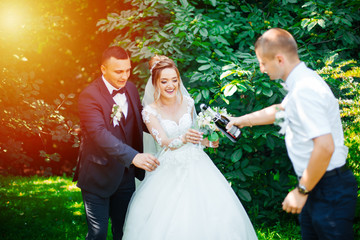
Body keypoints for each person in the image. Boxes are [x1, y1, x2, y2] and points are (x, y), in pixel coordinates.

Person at [227, 28, 358, 239]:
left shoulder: (305, 90)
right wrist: (240, 121)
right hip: (317, 185)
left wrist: (301, 191)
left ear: (279, 59)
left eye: (262, 63)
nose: (261, 69)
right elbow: (280, 111)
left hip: (327, 189)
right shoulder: (301, 83)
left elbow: (325, 146)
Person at [122, 55, 258, 240]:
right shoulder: (149, 111)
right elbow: (163, 142)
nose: (170, 85)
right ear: (155, 83)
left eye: (174, 80)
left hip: (197, 163)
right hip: (169, 167)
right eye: (164, 81)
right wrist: (183, 138)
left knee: (212, 212)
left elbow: (195, 133)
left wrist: (207, 141)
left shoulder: (188, 102)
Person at [73, 46, 160, 240]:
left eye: (128, 70)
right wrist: (134, 156)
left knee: (125, 231)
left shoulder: (130, 88)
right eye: (118, 71)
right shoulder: (89, 96)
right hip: (97, 175)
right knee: (98, 234)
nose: (125, 76)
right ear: (103, 69)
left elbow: (140, 120)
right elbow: (99, 134)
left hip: (126, 175)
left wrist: (168, 128)